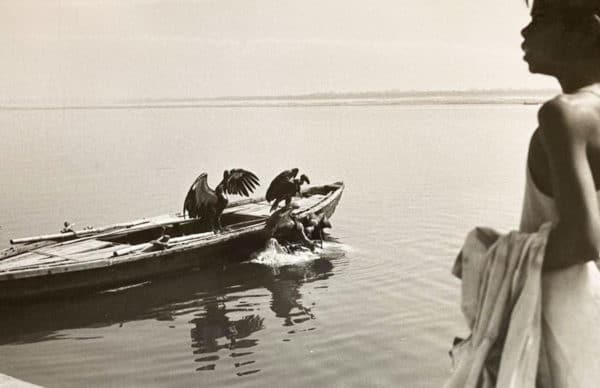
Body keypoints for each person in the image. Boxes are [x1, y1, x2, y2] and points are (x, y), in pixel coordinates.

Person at [520, 0, 600, 385]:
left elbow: (584, 239)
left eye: (540, 21)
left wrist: (494, 255)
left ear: (588, 29)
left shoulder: (563, 115)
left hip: (566, 334)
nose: (525, 33)